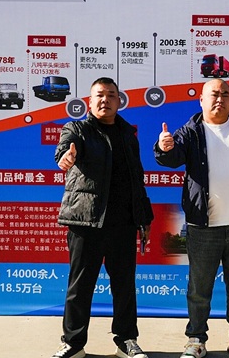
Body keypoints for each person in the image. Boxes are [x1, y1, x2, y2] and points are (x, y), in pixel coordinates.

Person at [154, 78, 229, 358]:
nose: (220, 99)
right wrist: (164, 148)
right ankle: (196, 340)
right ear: (201, 100)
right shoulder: (191, 131)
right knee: (199, 289)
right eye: (214, 94)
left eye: (225, 94)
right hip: (203, 226)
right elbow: (172, 157)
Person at [51, 77, 154, 358]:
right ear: (90, 101)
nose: (105, 100)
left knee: (124, 286)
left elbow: (137, 179)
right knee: (80, 286)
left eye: (111, 95)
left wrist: (144, 218)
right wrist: (65, 156)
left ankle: (126, 340)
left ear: (119, 101)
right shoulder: (77, 129)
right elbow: (65, 147)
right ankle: (73, 344)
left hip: (123, 223)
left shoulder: (128, 134)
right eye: (99, 95)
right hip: (86, 223)